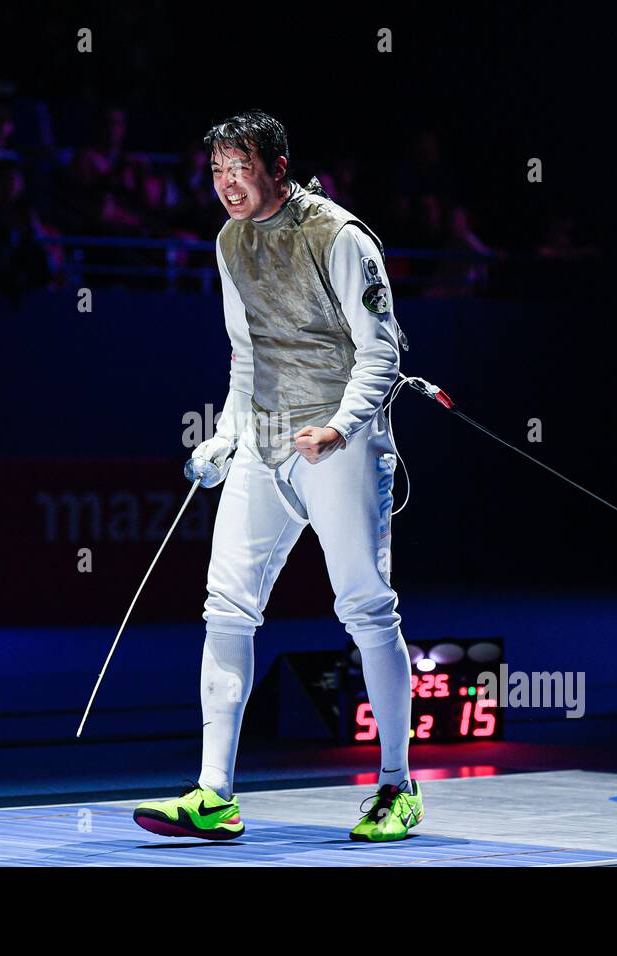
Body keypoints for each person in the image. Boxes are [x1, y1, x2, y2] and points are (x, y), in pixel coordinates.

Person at [133, 111, 423, 842]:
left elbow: (382, 352)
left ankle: (397, 785)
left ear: (277, 165)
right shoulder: (230, 241)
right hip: (264, 443)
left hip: (339, 445)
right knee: (225, 606)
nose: (228, 184)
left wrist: (339, 428)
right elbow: (244, 353)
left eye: (241, 167)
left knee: (365, 607)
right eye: (217, 171)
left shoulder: (341, 235)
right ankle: (213, 794)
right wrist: (225, 436)